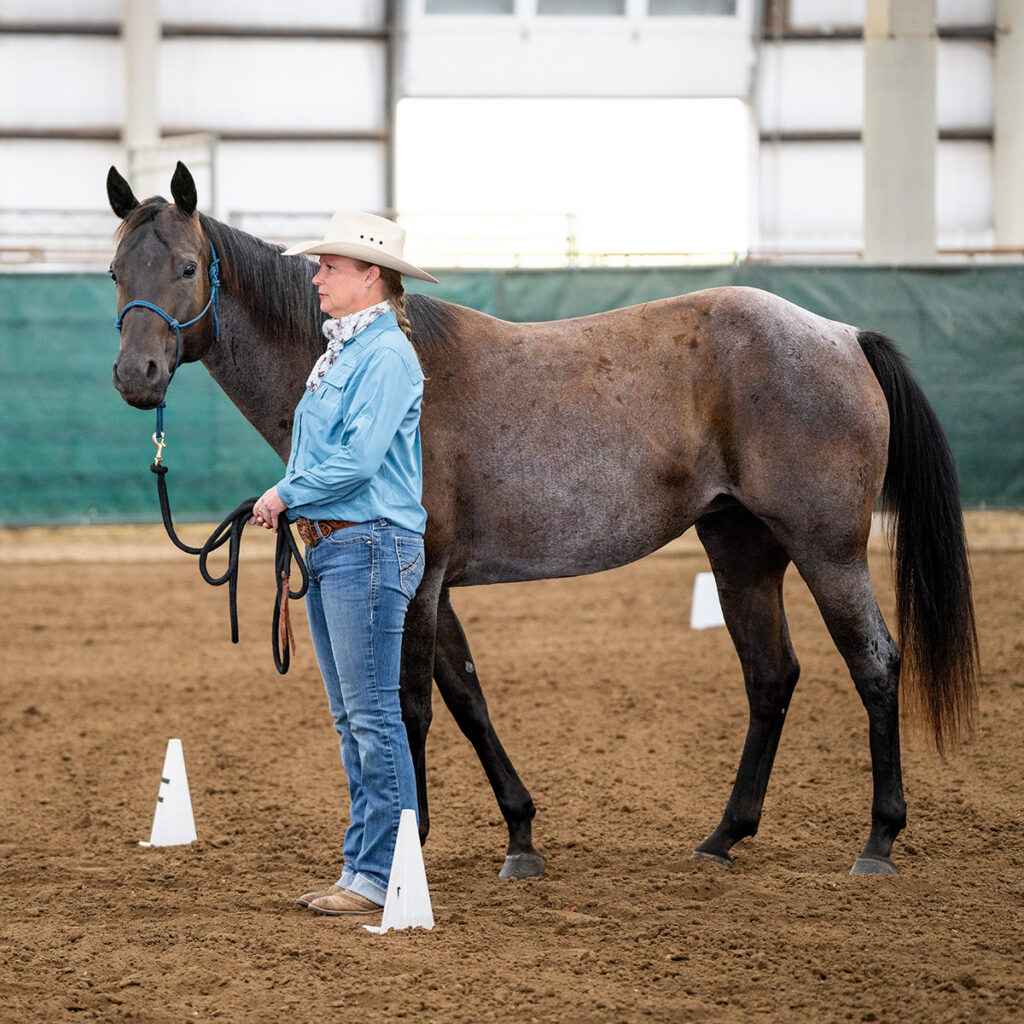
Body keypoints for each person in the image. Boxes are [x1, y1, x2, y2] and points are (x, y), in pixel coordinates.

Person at [249, 211, 438, 917]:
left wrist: (285, 493)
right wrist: (295, 503)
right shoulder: (347, 352)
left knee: (370, 715)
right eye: (320, 264)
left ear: (371, 276)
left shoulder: (385, 356)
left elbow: (357, 462)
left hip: (367, 542)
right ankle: (366, 866)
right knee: (354, 717)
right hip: (339, 544)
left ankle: (377, 870)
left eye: (330, 266)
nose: (317, 275)